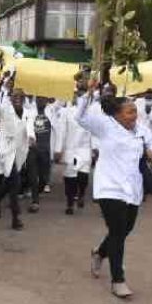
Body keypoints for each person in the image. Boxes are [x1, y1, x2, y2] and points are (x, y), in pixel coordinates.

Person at [76, 79, 152, 299]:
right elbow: (80, 117)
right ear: (118, 114)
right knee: (119, 232)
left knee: (124, 229)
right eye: (130, 112)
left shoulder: (140, 130)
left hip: (132, 188)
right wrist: (88, 94)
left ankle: (100, 252)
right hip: (109, 187)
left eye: (135, 111)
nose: (134, 115)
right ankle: (118, 280)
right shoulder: (106, 126)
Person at [0, 84, 34, 229]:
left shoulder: (28, 112)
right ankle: (16, 218)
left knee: (9, 184)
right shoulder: (4, 110)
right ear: (10, 98)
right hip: (6, 152)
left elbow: (30, 127)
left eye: (21, 97)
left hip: (19, 152)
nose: (18, 99)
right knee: (15, 183)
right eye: (15, 96)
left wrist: (32, 137)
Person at [54, 87, 93, 215]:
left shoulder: (90, 113)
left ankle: (81, 194)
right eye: (77, 95)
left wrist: (95, 149)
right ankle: (70, 203)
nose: (79, 98)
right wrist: (58, 149)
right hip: (71, 149)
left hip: (85, 149)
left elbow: (95, 133)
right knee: (70, 178)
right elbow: (61, 131)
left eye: (82, 95)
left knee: (83, 177)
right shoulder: (66, 112)